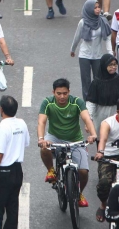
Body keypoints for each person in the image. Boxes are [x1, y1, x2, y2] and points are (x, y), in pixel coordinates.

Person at [38, 78, 97, 207]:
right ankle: (51, 171)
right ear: (53, 92)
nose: (62, 96)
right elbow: (42, 122)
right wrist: (41, 139)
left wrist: (93, 134)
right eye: (59, 93)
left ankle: (79, 193)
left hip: (75, 140)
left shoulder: (77, 102)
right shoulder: (47, 102)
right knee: (44, 149)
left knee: (83, 172)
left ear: (69, 92)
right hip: (54, 137)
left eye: (65, 93)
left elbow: (86, 118)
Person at [0, 96, 30, 229]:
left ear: (1, 109)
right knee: (12, 209)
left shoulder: (2, 128)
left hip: (2, 173)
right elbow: (26, 143)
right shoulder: (22, 123)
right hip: (17, 171)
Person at [70, 0, 113, 101]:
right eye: (95, 8)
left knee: (98, 80)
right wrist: (73, 49)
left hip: (98, 56)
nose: (98, 10)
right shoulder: (83, 22)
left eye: (99, 7)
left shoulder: (103, 21)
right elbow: (77, 37)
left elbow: (107, 38)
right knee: (86, 82)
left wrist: (110, 53)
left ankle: (97, 102)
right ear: (89, 9)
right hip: (84, 55)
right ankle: (87, 104)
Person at [86, 55, 119, 138]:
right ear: (104, 65)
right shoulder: (96, 83)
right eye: (110, 65)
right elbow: (91, 103)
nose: (113, 67)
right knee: (103, 142)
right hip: (101, 117)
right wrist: (89, 120)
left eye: (115, 64)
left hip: (118, 115)